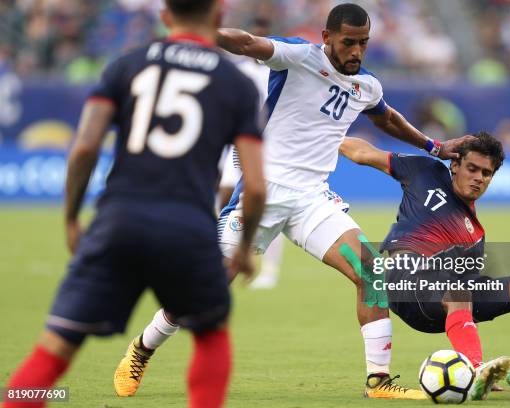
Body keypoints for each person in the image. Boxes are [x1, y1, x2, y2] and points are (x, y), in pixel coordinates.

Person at [114, 3, 470, 400]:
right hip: (261, 192)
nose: (356, 51)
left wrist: (433, 145)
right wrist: (197, 35)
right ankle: (142, 349)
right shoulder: (299, 57)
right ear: (327, 38)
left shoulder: (367, 86)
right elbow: (248, 42)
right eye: (348, 42)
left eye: (363, 43)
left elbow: (385, 118)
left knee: (371, 272)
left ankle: (379, 381)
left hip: (312, 200)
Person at [3, 1, 266, 407]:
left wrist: (72, 218)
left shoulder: (127, 64)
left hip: (119, 218)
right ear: (217, 19)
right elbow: (256, 186)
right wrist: (246, 248)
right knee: (212, 336)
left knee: (55, 346)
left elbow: (85, 147)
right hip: (188, 226)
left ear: (165, 18)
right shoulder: (237, 84)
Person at [339, 133, 510, 400]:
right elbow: (361, 153)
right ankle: (475, 370)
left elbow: (467, 293)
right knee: (458, 291)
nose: (478, 178)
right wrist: (328, 137)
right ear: (455, 166)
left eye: (487, 173)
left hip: (442, 299)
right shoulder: (425, 171)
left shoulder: (476, 234)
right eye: (472, 168)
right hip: (405, 280)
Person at [217, 17, 285, 290]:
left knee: (270, 205)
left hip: (266, 145)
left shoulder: (276, 70)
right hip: (237, 143)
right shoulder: (237, 70)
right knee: (224, 194)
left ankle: (268, 269)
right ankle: (223, 255)